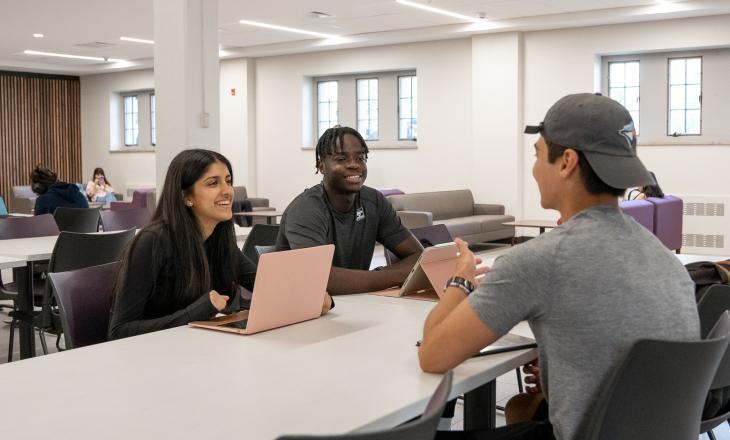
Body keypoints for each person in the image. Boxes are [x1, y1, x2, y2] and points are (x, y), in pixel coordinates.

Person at [417, 93, 700, 440]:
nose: (534, 169)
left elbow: (432, 355)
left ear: (566, 162)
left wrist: (460, 279)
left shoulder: (539, 260)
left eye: (537, 154)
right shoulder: (664, 258)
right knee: (525, 406)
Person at [109, 149, 333, 340]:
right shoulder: (152, 242)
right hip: (151, 362)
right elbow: (120, 331)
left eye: (228, 181)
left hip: (195, 352)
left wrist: (313, 298)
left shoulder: (219, 239)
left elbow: (265, 285)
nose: (227, 190)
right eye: (213, 183)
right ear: (187, 197)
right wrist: (198, 310)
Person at [275, 126, 423, 294]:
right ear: (322, 166)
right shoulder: (305, 210)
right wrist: (395, 276)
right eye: (341, 159)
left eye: (360, 158)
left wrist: (375, 277)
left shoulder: (374, 201)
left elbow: (419, 256)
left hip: (355, 302)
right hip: (301, 309)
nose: (354, 165)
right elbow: (320, 279)